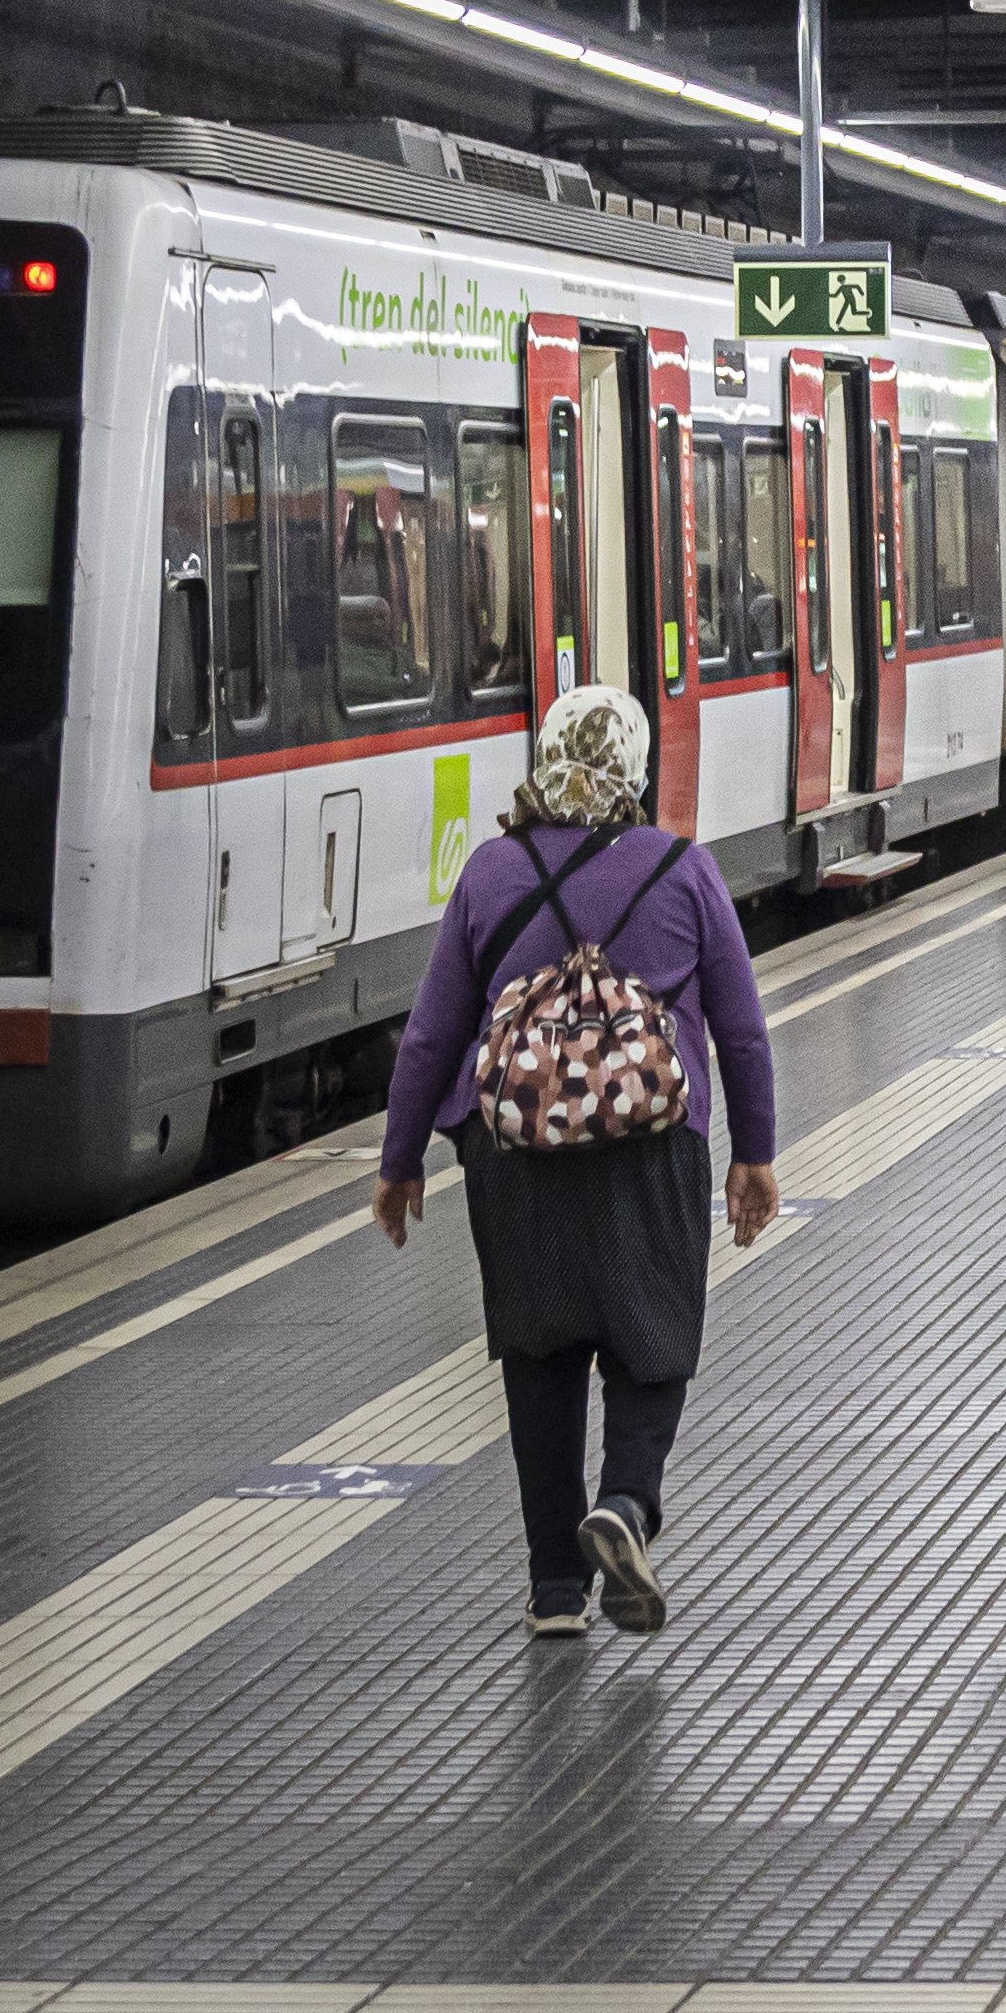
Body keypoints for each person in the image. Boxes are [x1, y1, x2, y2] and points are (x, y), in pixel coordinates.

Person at [371, 684, 782, 1639]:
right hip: (653, 1147)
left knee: (538, 1353)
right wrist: (753, 1157)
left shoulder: (491, 872)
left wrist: (398, 1165)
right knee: (654, 1335)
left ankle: (556, 1588)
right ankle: (627, 1504)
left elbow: (430, 1038)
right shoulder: (682, 870)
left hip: (517, 1156)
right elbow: (743, 1034)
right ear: (636, 771)